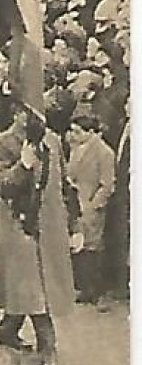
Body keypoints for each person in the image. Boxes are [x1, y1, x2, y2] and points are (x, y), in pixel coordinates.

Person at [0, 99, 76, 365]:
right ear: (17, 113)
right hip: (18, 228)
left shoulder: (51, 141)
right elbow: (2, 187)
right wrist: (23, 166)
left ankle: (8, 328)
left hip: (48, 225)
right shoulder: (2, 144)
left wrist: (75, 224)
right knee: (35, 290)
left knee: (33, 286)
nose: (35, 120)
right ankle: (48, 349)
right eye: (29, 114)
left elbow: (64, 184)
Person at [65, 111, 116, 305]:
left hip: (91, 207)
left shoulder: (104, 153)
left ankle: (97, 291)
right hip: (75, 204)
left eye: (77, 132)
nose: (73, 135)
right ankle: (83, 288)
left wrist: (95, 205)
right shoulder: (75, 148)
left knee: (93, 248)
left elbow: (108, 184)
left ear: (91, 132)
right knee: (78, 246)